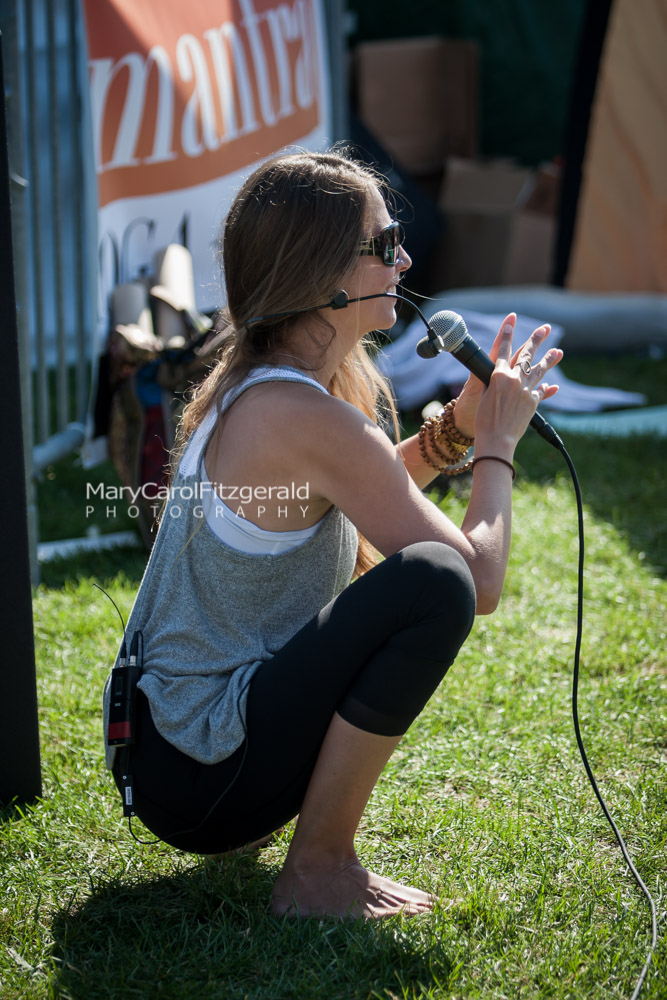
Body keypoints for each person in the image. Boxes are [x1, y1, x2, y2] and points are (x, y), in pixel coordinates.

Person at [103, 148, 563, 920]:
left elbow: (353, 495)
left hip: (170, 762)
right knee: (437, 583)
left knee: (422, 575)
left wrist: (453, 430)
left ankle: (315, 857)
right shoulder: (303, 414)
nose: (406, 258)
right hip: (201, 771)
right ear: (320, 271)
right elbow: (478, 582)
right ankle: (317, 869)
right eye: (384, 245)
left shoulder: (261, 386)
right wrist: (496, 447)